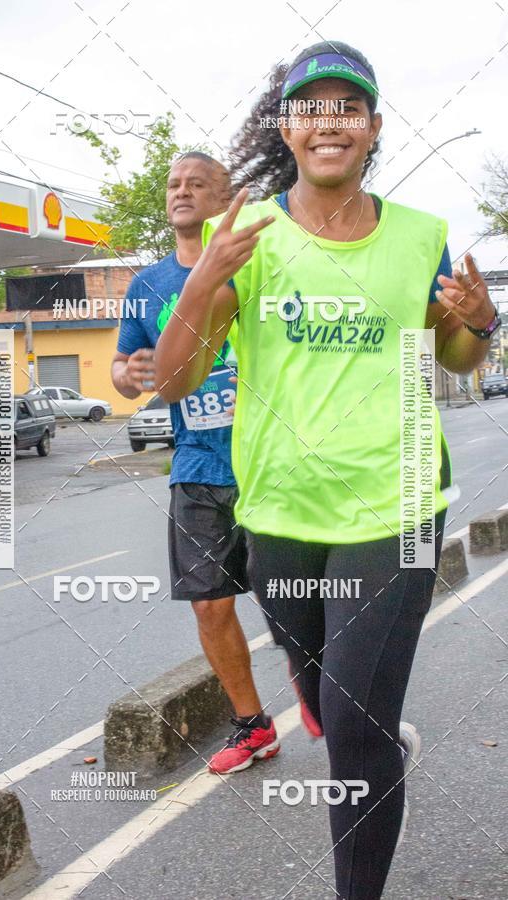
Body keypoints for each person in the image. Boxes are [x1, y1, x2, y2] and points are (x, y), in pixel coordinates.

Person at [155, 42, 499, 899]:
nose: (329, 122)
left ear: (373, 128)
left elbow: (451, 356)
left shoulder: (421, 234)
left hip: (395, 504)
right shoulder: (249, 234)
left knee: (351, 721)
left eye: (349, 107)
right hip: (276, 511)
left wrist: (481, 326)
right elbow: (171, 380)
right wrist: (201, 286)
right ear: (289, 128)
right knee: (318, 699)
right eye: (311, 108)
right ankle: (376, 742)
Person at [111, 151, 279, 775]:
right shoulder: (146, 286)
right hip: (198, 468)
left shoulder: (263, 265)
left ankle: (344, 708)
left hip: (271, 462)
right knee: (211, 604)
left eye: (197, 184)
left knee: (297, 597)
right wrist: (127, 376)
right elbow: (125, 374)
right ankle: (252, 725)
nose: (182, 192)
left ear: (224, 197)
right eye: (174, 184)